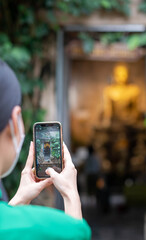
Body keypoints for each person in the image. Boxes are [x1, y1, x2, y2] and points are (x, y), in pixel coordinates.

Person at [0, 59, 91, 239]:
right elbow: (78, 233)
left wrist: (19, 199)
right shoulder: (46, 228)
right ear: (14, 122)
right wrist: (71, 193)